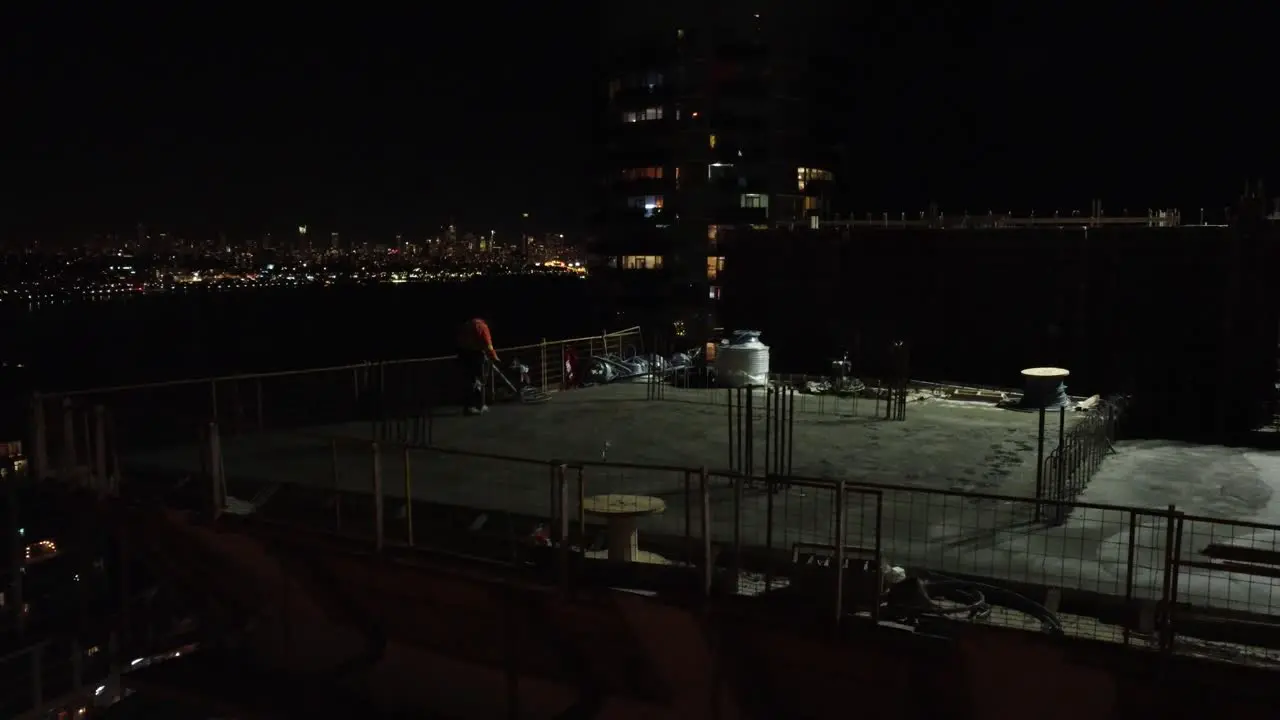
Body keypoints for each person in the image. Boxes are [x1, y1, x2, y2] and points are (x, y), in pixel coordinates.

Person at [457, 317, 499, 415]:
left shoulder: (468, 324)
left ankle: (470, 406)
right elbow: (488, 343)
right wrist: (494, 356)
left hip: (463, 354)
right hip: (475, 355)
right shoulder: (482, 326)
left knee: (469, 380)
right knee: (478, 381)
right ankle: (477, 406)